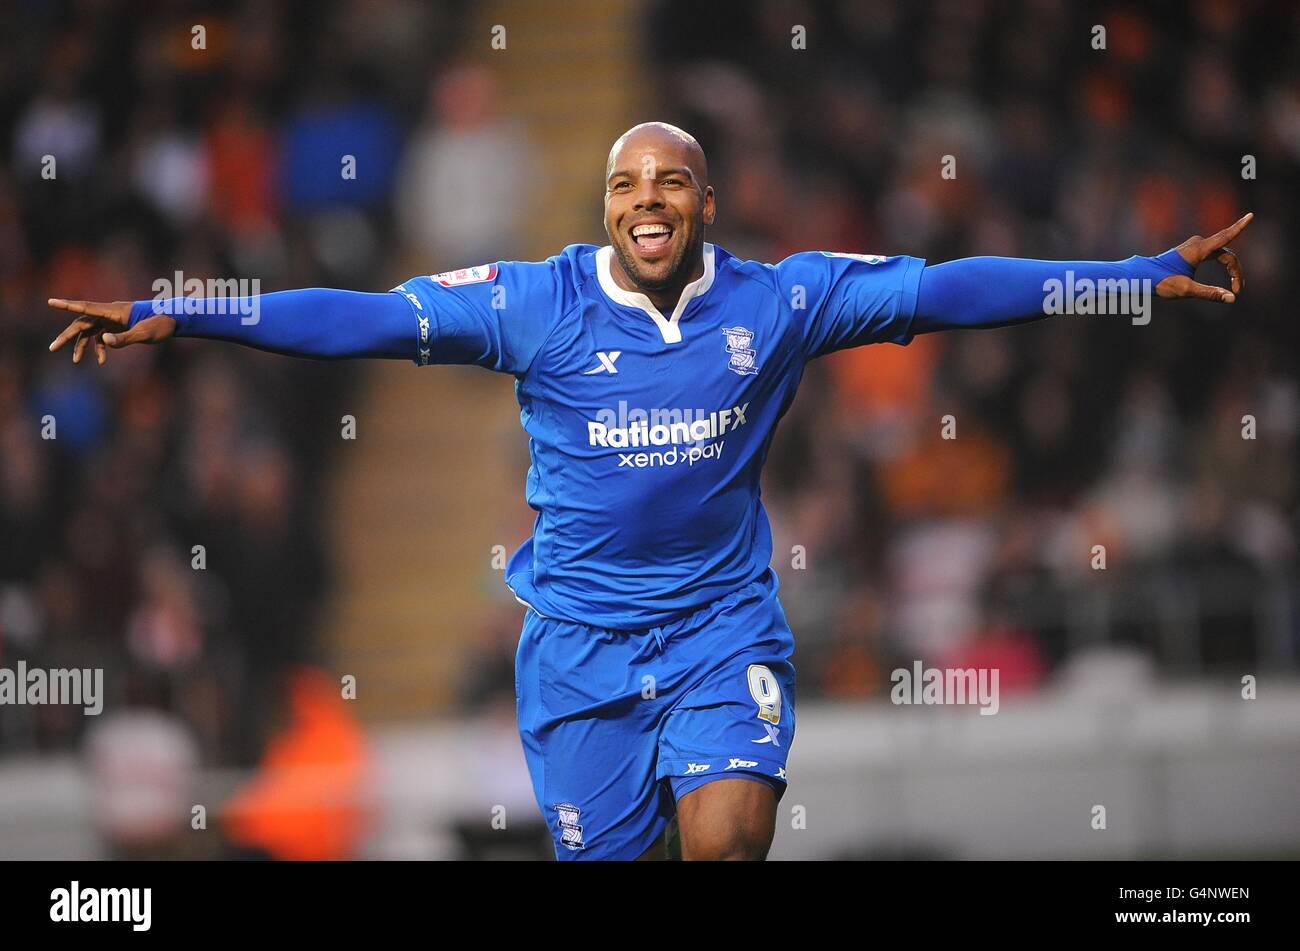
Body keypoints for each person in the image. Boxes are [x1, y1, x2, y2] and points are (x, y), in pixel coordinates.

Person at [48, 122, 1251, 860]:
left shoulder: (781, 300)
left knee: (728, 840)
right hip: (577, 647)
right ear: (606, 210)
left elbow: (949, 290)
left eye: (669, 184)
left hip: (720, 627)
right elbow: (358, 316)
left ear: (705, 203)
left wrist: (1134, 277)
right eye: (626, 188)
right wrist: (181, 310)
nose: (647, 204)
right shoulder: (535, 305)